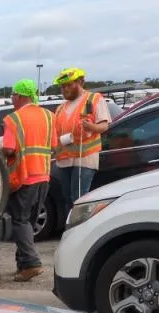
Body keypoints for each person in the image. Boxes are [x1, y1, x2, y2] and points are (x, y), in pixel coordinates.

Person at [1, 79, 56, 282]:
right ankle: (23, 265)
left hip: (23, 177)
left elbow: (8, 149)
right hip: (44, 175)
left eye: (13, 95)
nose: (12, 98)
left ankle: (31, 263)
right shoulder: (49, 116)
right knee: (30, 222)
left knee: (19, 220)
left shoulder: (13, 120)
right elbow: (54, 145)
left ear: (21, 95)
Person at [51, 67, 111, 211]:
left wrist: (91, 127)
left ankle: (80, 230)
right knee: (66, 197)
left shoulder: (93, 99)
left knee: (78, 199)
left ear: (80, 82)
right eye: (62, 86)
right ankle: (70, 228)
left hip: (84, 158)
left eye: (69, 85)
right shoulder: (60, 108)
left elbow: (104, 126)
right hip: (64, 160)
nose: (65, 89)